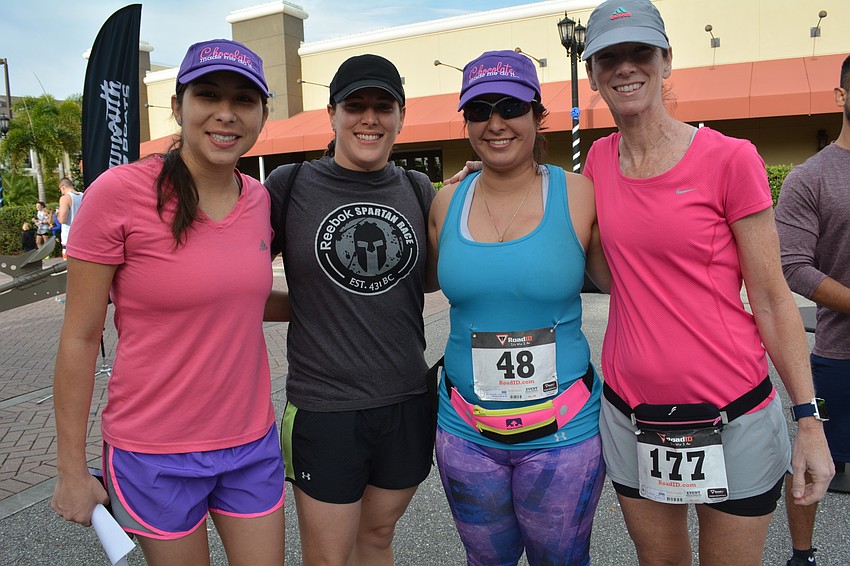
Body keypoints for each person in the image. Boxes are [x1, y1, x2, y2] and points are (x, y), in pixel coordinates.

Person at [579, 1, 834, 564]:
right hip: (632, 415)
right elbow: (592, 262)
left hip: (733, 412)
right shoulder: (596, 162)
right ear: (593, 73)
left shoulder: (729, 159)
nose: (625, 67)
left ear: (666, 61)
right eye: (609, 57)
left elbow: (771, 300)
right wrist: (483, 182)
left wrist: (808, 420)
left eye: (640, 52)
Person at [51, 38, 286, 565]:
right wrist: (71, 469)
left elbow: (233, 298)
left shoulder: (258, 197)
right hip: (152, 452)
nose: (226, 114)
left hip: (250, 442)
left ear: (262, 114)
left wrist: (330, 303)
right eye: (208, 95)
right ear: (178, 107)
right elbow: (81, 336)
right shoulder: (119, 193)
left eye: (244, 101)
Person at [428, 50, 609, 566]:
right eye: (479, 110)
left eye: (511, 106)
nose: (496, 122)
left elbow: (629, 279)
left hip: (563, 435)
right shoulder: (446, 202)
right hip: (466, 432)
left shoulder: (578, 195)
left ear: (536, 115)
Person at [264, 54, 436, 566]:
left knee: (378, 538)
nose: (369, 118)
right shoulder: (289, 185)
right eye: (355, 105)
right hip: (325, 407)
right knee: (328, 555)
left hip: (406, 399)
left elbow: (432, 279)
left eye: (383, 106)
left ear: (401, 116)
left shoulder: (418, 190)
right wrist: (309, 308)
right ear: (332, 113)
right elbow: (234, 277)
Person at [775, 53, 850, 566]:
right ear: (842, 97)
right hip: (839, 355)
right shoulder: (812, 177)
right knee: (809, 463)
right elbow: (794, 266)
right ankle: (802, 556)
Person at [57, 177, 83, 258]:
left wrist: (58, 213)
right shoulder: (84, 195)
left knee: (69, 266)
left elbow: (62, 220)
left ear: (63, 187)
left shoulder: (65, 198)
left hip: (69, 237)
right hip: (83, 236)